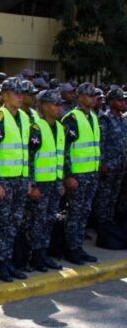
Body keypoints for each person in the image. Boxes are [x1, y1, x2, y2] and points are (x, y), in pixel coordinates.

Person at [0, 77, 32, 282]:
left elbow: (26, 151)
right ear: (4, 95)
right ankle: (0, 262)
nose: (20, 97)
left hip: (19, 180)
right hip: (4, 180)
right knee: (1, 223)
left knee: (14, 222)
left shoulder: (23, 117)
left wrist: (28, 178)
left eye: (21, 93)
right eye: (15, 93)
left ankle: (9, 260)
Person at [62, 82, 101, 264]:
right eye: (90, 95)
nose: (93, 98)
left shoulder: (92, 117)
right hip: (77, 175)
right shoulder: (72, 118)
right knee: (75, 213)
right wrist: (69, 175)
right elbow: (65, 149)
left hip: (91, 174)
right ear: (81, 97)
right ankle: (71, 250)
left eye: (94, 95)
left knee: (84, 212)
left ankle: (78, 247)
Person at [27, 90, 65, 272]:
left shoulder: (59, 127)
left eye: (59, 104)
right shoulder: (36, 128)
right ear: (43, 106)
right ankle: (35, 256)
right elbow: (30, 158)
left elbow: (60, 157)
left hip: (53, 182)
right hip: (40, 184)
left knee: (49, 220)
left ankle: (44, 253)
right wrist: (32, 185)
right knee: (37, 222)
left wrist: (61, 181)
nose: (59, 108)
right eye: (54, 104)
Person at [93, 88, 127, 227]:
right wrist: (102, 164)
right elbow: (100, 143)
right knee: (104, 196)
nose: (123, 103)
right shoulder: (105, 119)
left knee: (114, 195)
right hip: (109, 165)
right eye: (120, 100)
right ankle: (101, 223)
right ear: (112, 102)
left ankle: (109, 221)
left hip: (120, 165)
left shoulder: (123, 120)